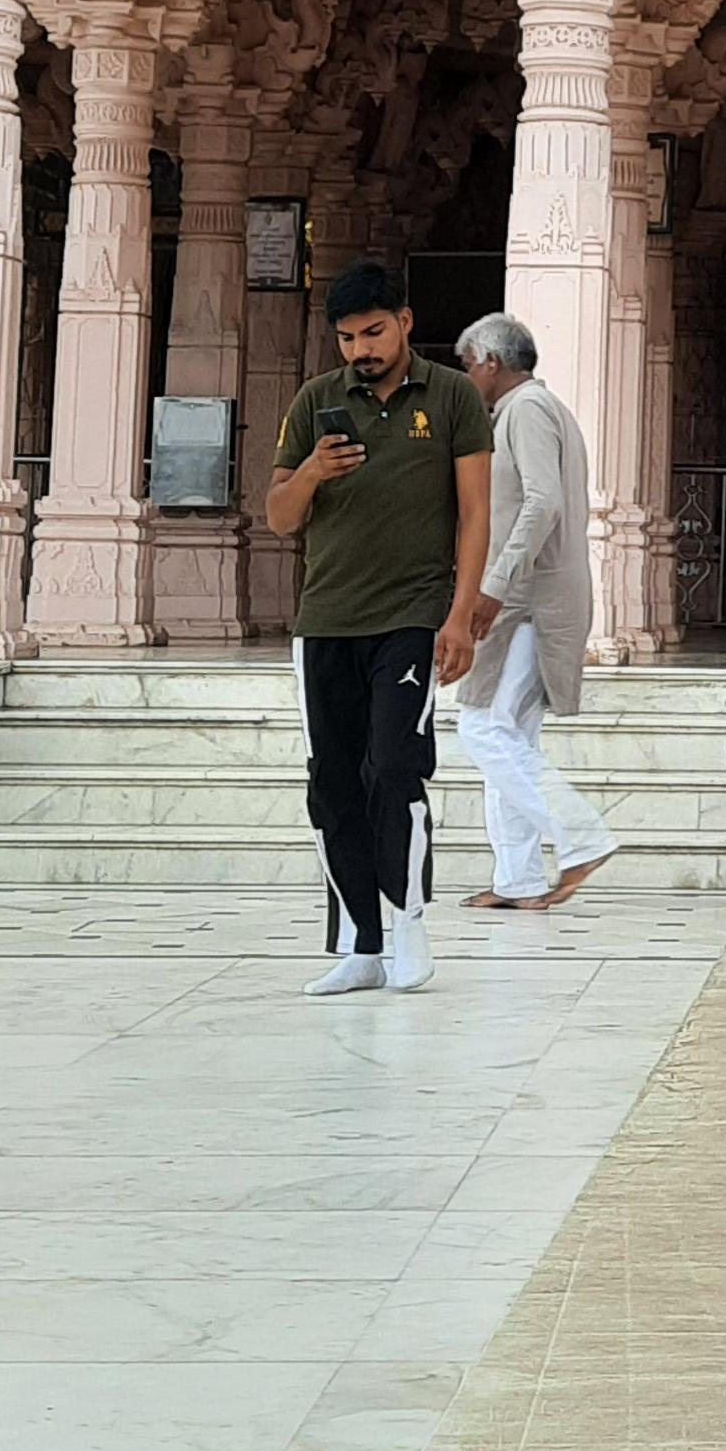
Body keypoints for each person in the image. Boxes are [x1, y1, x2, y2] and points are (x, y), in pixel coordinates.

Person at [264, 260, 490, 995]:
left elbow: (476, 514)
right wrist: (312, 473)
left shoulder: (453, 395)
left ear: (405, 322)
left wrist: (460, 616)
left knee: (395, 766)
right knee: (332, 782)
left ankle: (410, 922)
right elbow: (279, 517)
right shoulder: (316, 401)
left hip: (411, 617)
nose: (360, 349)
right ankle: (360, 944)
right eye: (347, 338)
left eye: (373, 332)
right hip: (326, 619)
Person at [451, 312, 617, 914]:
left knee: (482, 727)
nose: (466, 377)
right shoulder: (530, 410)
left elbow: (542, 502)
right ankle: (518, 879)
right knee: (508, 732)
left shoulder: (526, 410)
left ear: (491, 362)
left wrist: (494, 583)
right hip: (524, 595)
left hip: (529, 599)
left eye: (468, 365)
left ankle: (582, 836)